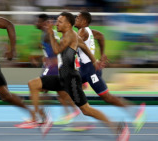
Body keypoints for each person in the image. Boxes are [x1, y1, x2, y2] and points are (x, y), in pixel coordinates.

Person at [18, 12, 130, 140]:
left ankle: (118, 128)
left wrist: (50, 32)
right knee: (33, 84)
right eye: (57, 21)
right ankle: (38, 119)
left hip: (71, 79)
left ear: (68, 24)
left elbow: (56, 50)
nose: (56, 24)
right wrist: (95, 60)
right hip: (62, 77)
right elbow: (85, 48)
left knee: (87, 110)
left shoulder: (70, 36)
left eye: (60, 22)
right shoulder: (73, 36)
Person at [74, 11, 145, 132]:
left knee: (107, 97)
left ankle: (136, 111)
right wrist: (102, 55)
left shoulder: (82, 32)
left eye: (78, 17)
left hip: (91, 70)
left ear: (84, 21)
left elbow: (73, 45)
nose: (75, 19)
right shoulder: (90, 32)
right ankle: (82, 119)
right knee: (71, 89)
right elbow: (101, 36)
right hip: (85, 69)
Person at [15, 14, 80, 129]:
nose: (36, 23)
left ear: (43, 23)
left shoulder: (47, 34)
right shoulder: (46, 34)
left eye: (38, 21)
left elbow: (57, 51)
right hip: (52, 67)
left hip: (53, 69)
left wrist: (52, 60)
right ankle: (70, 112)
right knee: (59, 94)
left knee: (35, 87)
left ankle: (39, 118)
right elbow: (50, 51)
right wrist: (40, 58)